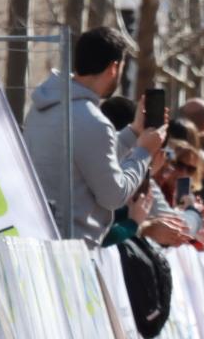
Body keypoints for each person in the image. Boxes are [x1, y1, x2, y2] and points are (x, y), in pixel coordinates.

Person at [23, 26, 167, 240]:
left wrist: (133, 132)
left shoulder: (41, 107)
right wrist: (144, 152)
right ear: (113, 68)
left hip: (40, 235)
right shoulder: (93, 120)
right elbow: (114, 195)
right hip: (72, 247)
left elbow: (88, 157)